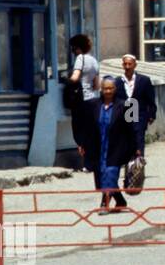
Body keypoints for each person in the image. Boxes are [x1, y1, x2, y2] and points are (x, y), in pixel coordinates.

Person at [75, 77, 137, 215]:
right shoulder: (92, 105)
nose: (107, 91)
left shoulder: (127, 105)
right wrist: (82, 143)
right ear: (101, 89)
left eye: (110, 88)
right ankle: (120, 200)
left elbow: (132, 128)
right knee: (102, 173)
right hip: (98, 147)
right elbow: (87, 127)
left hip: (116, 146)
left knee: (110, 173)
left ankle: (104, 203)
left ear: (115, 89)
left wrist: (136, 148)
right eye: (105, 88)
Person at [112, 54, 157, 163]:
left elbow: (150, 99)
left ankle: (138, 164)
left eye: (130, 64)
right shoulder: (118, 81)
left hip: (139, 113)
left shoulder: (144, 81)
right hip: (124, 115)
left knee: (138, 137)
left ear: (135, 65)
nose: (127, 66)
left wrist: (151, 114)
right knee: (125, 139)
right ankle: (128, 163)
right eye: (125, 64)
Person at [67, 34, 100, 103]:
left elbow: (74, 78)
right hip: (92, 99)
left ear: (78, 48)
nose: (72, 51)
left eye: (73, 48)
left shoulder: (80, 58)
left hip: (81, 99)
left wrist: (65, 79)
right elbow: (97, 86)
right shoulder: (94, 60)